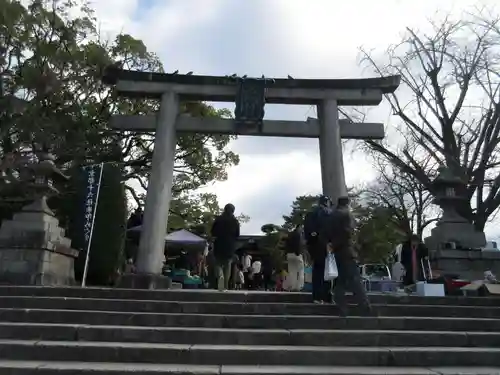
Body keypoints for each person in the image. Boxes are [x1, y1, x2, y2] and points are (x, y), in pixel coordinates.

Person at [328, 196, 372, 316]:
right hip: (347, 250)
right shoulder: (346, 215)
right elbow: (349, 232)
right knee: (355, 279)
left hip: (337, 250)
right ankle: (364, 306)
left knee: (341, 280)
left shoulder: (331, 215)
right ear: (347, 204)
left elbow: (326, 233)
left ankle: (341, 306)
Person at [304, 195, 332, 303]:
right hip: (325, 244)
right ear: (326, 202)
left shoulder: (311, 214)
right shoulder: (327, 213)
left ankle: (317, 296)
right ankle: (326, 295)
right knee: (327, 272)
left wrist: (311, 238)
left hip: (315, 246)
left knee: (317, 271)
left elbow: (308, 231)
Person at [211, 203, 240, 291]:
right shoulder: (235, 221)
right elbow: (237, 235)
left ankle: (220, 275)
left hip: (219, 244)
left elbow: (213, 232)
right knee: (227, 265)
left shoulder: (218, 219)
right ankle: (225, 286)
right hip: (230, 246)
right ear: (233, 211)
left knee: (218, 263)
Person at [285, 224, 305, 291]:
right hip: (297, 254)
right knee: (301, 270)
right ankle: (299, 287)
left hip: (289, 254)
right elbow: (299, 244)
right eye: (302, 228)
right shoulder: (299, 234)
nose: (302, 229)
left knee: (292, 271)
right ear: (299, 227)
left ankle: (293, 286)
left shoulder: (290, 234)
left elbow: (286, 243)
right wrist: (298, 252)